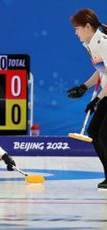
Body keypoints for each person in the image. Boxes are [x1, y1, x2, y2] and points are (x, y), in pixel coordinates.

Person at [68, 8, 107, 189]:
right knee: (94, 132)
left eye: (77, 28)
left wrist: (97, 99)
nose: (76, 33)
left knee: (103, 133)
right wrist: (84, 87)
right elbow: (102, 71)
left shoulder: (103, 42)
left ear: (88, 26)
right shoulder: (91, 43)